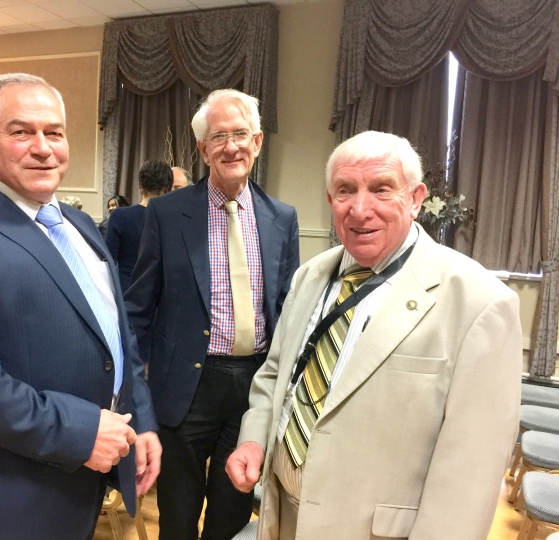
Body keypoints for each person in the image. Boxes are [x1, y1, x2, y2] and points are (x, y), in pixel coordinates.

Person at [0, 73, 161, 540]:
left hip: (83, 483)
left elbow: (118, 337)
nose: (43, 148)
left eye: (54, 132)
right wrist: (80, 433)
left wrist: (143, 422)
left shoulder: (81, 224)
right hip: (8, 493)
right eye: (21, 132)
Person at [226, 130, 522, 540]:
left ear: (416, 198)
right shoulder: (311, 277)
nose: (360, 209)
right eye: (345, 191)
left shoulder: (479, 304)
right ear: (330, 201)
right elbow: (276, 375)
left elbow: (469, 474)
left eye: (382, 189)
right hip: (282, 519)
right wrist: (254, 440)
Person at [126, 89, 300, 540]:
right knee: (178, 516)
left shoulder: (282, 218)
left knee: (232, 514)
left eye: (240, 134)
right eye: (218, 137)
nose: (231, 146)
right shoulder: (166, 214)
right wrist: (132, 393)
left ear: (257, 142)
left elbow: (286, 311)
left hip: (252, 390)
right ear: (203, 150)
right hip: (185, 386)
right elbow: (138, 309)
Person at [106, 159, 173, 293]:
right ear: (168, 188)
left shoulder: (119, 216)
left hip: (125, 293)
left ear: (140, 186)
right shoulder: (174, 220)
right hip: (160, 297)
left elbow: (108, 261)